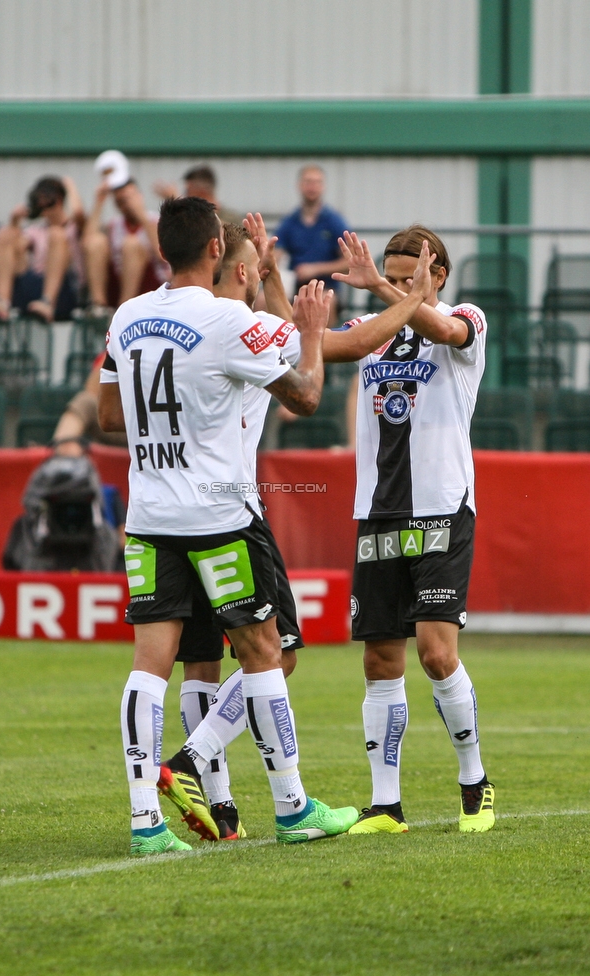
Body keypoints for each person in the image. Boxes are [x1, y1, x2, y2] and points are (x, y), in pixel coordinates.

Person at [98, 195, 359, 856]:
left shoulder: (128, 317)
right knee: (266, 652)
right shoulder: (225, 319)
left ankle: (143, 824)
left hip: (150, 515)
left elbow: (106, 416)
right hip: (217, 514)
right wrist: (308, 332)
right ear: (216, 249)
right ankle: (293, 807)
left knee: (148, 665)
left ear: (161, 251)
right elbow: (303, 396)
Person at [164, 217, 437, 837]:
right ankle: (203, 767)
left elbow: (285, 331)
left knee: (199, 661)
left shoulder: (173, 324)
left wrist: (272, 277)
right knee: (276, 654)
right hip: (229, 515)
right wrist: (414, 298)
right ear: (240, 270)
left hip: (164, 510)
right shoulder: (244, 330)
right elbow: (341, 350)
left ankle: (221, 802)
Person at [329, 226, 495, 835]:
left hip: (441, 509)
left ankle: (475, 782)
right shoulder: (372, 335)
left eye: (410, 279)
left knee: (435, 652)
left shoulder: (464, 319)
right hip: (377, 511)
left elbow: (444, 330)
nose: (397, 289)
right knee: (379, 657)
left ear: (439, 276)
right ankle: (385, 805)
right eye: (391, 279)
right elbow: (317, 347)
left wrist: (388, 291)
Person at [0, 176, 85, 323]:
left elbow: (79, 213)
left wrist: (69, 186)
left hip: (66, 289)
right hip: (34, 286)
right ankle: (2, 301)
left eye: (48, 200)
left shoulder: (74, 228)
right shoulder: (36, 231)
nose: (43, 206)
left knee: (56, 234)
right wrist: (14, 221)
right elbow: (15, 247)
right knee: (6, 234)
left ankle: (48, 302)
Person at [83, 178, 169, 316]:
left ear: (140, 196)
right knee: (96, 242)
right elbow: (87, 244)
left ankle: (124, 308)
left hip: (151, 285)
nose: (127, 204)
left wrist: (141, 215)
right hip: (118, 283)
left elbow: (164, 256)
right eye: (121, 201)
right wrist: (99, 202)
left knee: (131, 244)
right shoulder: (114, 224)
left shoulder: (157, 220)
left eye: (130, 198)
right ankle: (98, 305)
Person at [275, 165, 349, 325]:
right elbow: (275, 253)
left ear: (323, 187)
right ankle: (278, 346)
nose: (312, 187)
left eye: (317, 182)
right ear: (299, 185)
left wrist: (315, 269)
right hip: (295, 286)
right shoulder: (290, 221)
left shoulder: (334, 221)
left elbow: (349, 262)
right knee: (263, 299)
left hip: (326, 287)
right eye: (308, 182)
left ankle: (327, 348)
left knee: (324, 302)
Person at [154, 164, 242, 225]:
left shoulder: (232, 219)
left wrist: (179, 202)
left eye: (188, 190)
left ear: (201, 192)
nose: (186, 195)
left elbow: (210, 228)